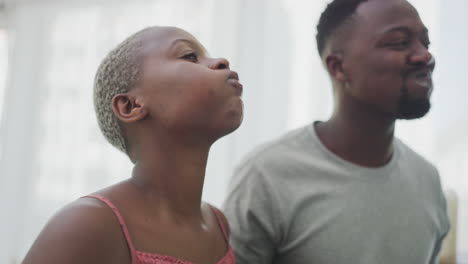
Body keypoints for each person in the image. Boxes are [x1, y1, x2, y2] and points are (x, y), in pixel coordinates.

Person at [222, 0, 450, 263]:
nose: (425, 56)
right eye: (399, 42)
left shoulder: (427, 180)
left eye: (426, 43)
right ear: (338, 67)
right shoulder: (267, 176)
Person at [23, 26, 242, 264]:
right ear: (131, 105)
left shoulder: (219, 226)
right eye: (190, 56)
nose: (222, 61)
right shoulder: (87, 224)